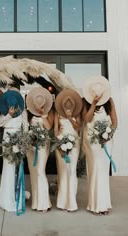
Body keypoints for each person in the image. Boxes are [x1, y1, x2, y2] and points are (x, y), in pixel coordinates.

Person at [82, 76, 118, 215]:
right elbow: (86, 119)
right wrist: (93, 103)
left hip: (107, 141)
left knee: (103, 172)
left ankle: (104, 204)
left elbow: (114, 121)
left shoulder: (109, 102)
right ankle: (94, 204)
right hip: (92, 141)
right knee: (95, 169)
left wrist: (109, 134)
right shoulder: (85, 101)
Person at [0, 89, 27, 213]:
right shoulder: (4, 113)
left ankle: (17, 197)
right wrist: (9, 114)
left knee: (17, 167)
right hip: (7, 138)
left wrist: (23, 143)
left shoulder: (23, 112)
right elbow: (0, 124)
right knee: (8, 166)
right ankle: (7, 198)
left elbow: (25, 127)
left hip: (19, 138)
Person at [54, 88, 83, 212]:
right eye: (65, 106)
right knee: (63, 172)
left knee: (71, 171)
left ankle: (71, 202)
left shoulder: (77, 113)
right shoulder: (57, 113)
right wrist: (59, 143)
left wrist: (71, 118)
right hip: (61, 142)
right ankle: (62, 202)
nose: (68, 107)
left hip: (74, 143)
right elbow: (55, 129)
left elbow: (78, 127)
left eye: (70, 105)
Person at [26, 87, 54, 212]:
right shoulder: (29, 113)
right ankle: (36, 202)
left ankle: (44, 203)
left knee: (40, 171)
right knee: (33, 173)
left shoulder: (49, 112)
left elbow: (48, 128)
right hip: (31, 146)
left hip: (43, 145)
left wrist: (43, 115)